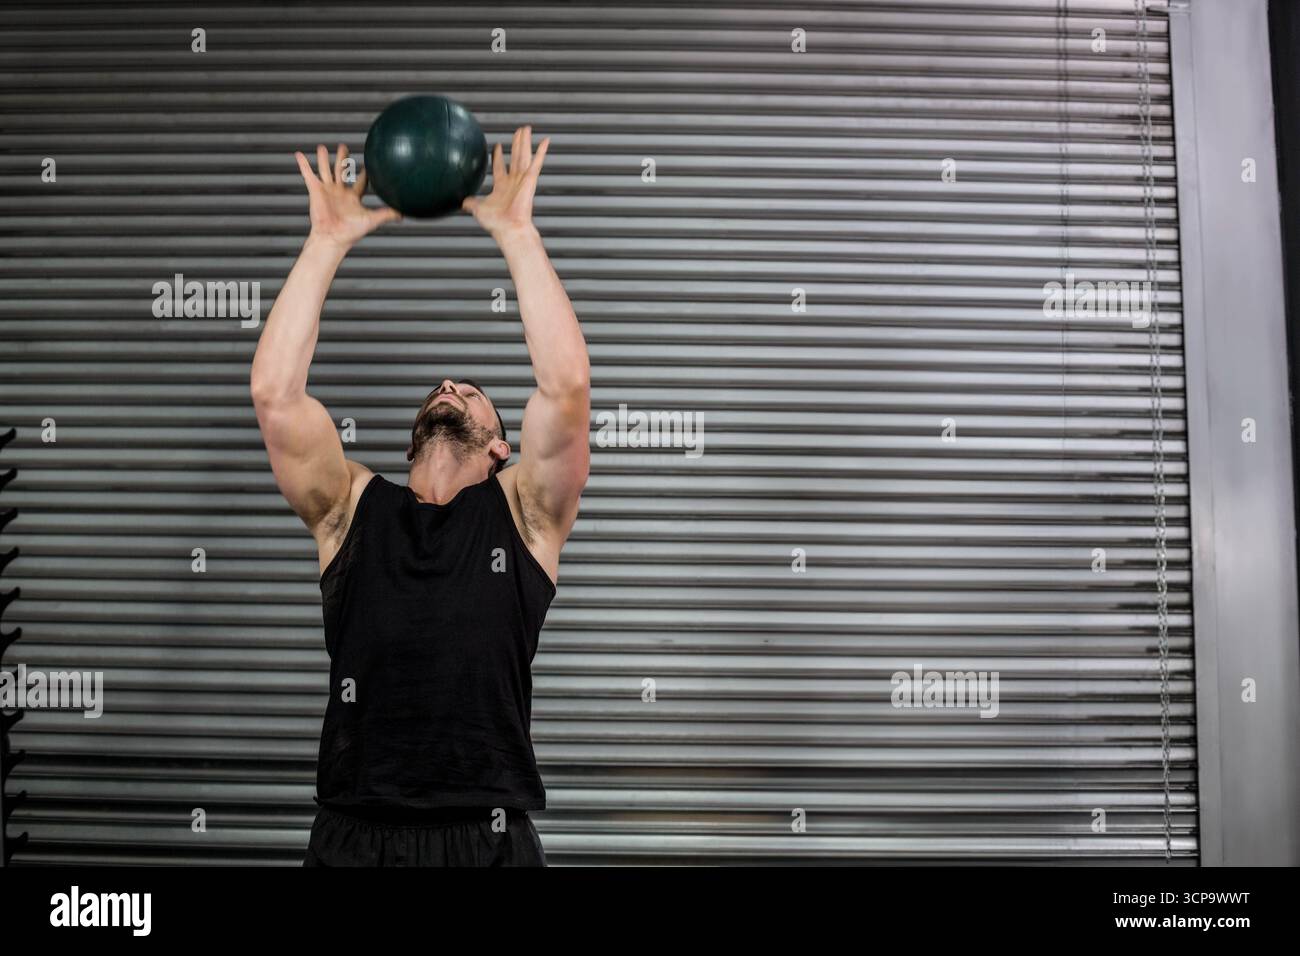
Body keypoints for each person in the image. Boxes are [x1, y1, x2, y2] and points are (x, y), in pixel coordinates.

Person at [250, 126, 590, 866]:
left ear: (502, 445)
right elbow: (276, 397)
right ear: (414, 435)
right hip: (353, 835)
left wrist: (518, 234)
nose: (449, 387)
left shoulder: (526, 515)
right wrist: (327, 242)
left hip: (486, 838)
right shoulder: (350, 510)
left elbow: (565, 390)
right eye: (440, 387)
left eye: (470, 390)